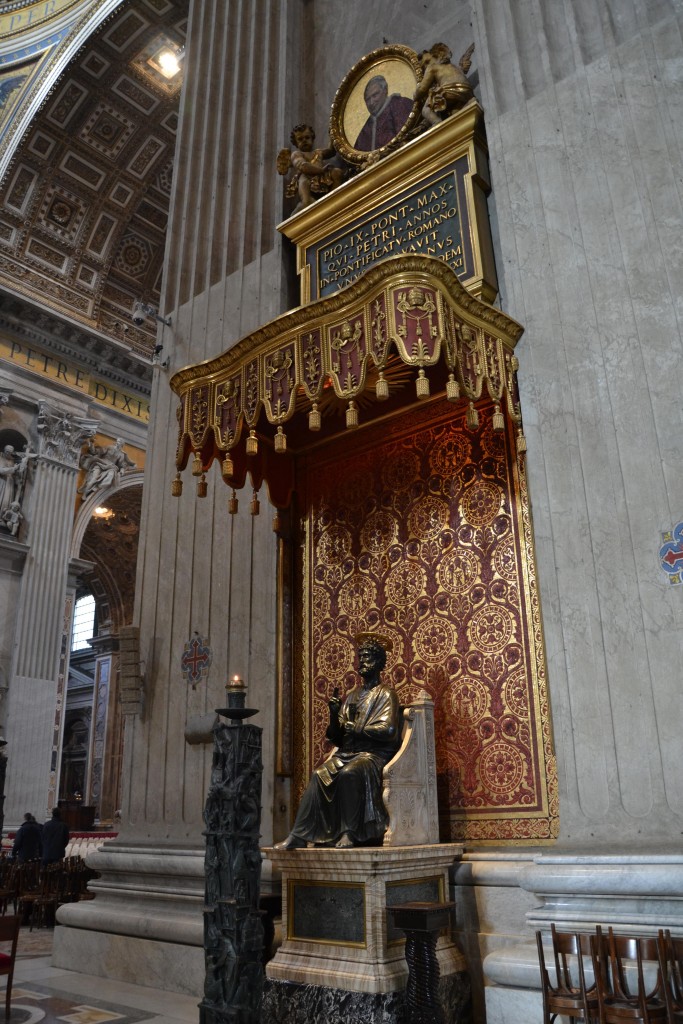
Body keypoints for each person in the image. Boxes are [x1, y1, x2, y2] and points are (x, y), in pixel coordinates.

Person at [275, 634, 401, 849]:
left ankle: (349, 832)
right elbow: (336, 737)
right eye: (360, 657)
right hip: (348, 753)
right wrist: (334, 714)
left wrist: (358, 729)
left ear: (379, 663)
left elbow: (388, 729)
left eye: (368, 657)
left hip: (373, 755)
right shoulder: (353, 695)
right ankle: (299, 834)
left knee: (349, 773)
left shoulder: (386, 694)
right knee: (318, 775)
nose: (362, 662)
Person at [278, 124, 346, 212]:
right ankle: (305, 203)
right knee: (304, 183)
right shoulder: (296, 154)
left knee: (337, 172)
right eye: (300, 139)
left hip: (322, 176)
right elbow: (303, 166)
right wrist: (321, 170)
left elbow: (331, 151)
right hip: (307, 176)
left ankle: (333, 197)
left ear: (312, 138)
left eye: (307, 137)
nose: (304, 141)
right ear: (295, 143)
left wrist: (332, 134)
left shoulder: (318, 152)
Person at [414, 42, 474, 125]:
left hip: (449, 90)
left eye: (427, 62)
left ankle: (437, 124)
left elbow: (422, 89)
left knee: (426, 110)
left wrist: (415, 95)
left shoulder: (432, 67)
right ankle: (469, 103)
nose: (426, 66)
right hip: (467, 90)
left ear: (438, 55)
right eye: (424, 66)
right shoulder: (453, 66)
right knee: (454, 113)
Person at [354, 75, 413, 152]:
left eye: (375, 95)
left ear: (385, 91)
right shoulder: (367, 127)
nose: (371, 103)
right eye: (367, 99)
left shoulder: (400, 104)